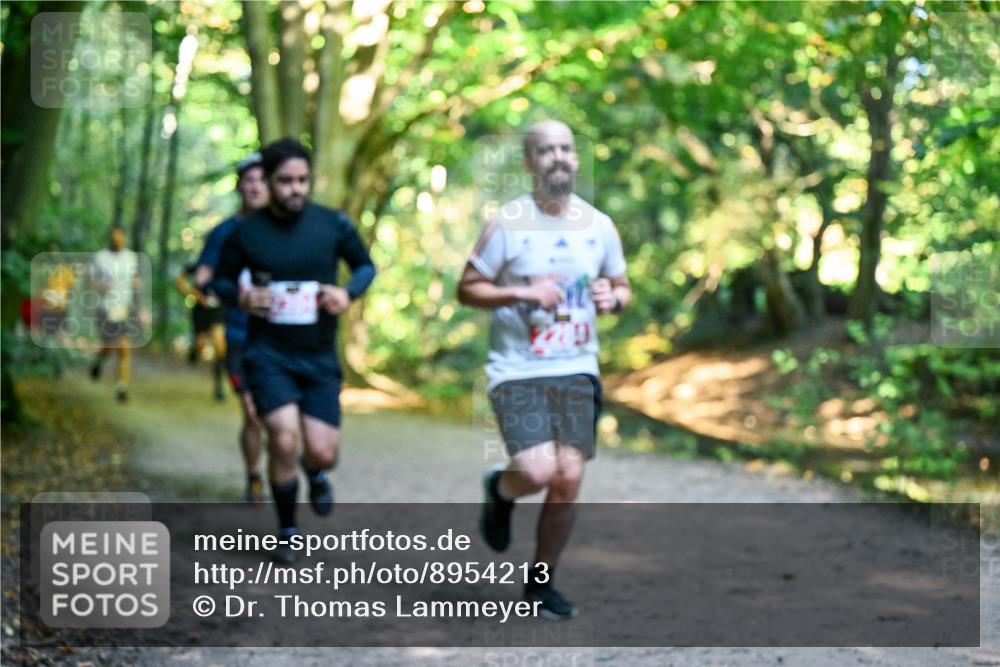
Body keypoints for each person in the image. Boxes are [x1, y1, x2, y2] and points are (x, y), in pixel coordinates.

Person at [457, 120, 631, 619]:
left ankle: (540, 585)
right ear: (530, 164)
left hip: (577, 367)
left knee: (568, 478)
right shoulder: (508, 224)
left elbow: (621, 287)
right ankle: (501, 488)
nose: (558, 157)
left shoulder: (599, 226)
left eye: (565, 149)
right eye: (546, 151)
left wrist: (611, 298)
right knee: (537, 470)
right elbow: (468, 288)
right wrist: (522, 292)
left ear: (576, 160)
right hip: (518, 369)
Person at [213, 139, 376, 561]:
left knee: (322, 450)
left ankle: (316, 472)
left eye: (302, 180)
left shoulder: (331, 225)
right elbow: (220, 281)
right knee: (283, 440)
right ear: (267, 182)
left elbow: (365, 265)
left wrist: (347, 293)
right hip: (268, 354)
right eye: (285, 181)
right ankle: (287, 529)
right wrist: (243, 299)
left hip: (319, 356)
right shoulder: (245, 232)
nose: (295, 189)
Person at [190, 152, 270, 503]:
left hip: (285, 338)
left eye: (262, 180)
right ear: (240, 186)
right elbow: (203, 276)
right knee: (253, 413)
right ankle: (254, 476)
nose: (255, 187)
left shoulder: (288, 231)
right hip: (240, 335)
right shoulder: (224, 232)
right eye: (249, 180)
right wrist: (218, 289)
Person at [89, 226, 141, 403]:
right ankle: (99, 361)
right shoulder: (100, 257)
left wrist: (135, 293)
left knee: (124, 347)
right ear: (110, 238)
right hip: (105, 308)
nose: (117, 239)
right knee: (109, 346)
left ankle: (122, 388)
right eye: (114, 236)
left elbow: (134, 280)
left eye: (120, 236)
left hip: (124, 308)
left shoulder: (131, 257)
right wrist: (100, 287)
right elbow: (90, 282)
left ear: (124, 237)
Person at [175, 262, 226, 400]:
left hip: (217, 310)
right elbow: (179, 280)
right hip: (200, 311)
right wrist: (193, 293)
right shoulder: (199, 264)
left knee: (220, 346)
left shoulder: (225, 262)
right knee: (200, 344)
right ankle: (194, 353)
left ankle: (219, 385)